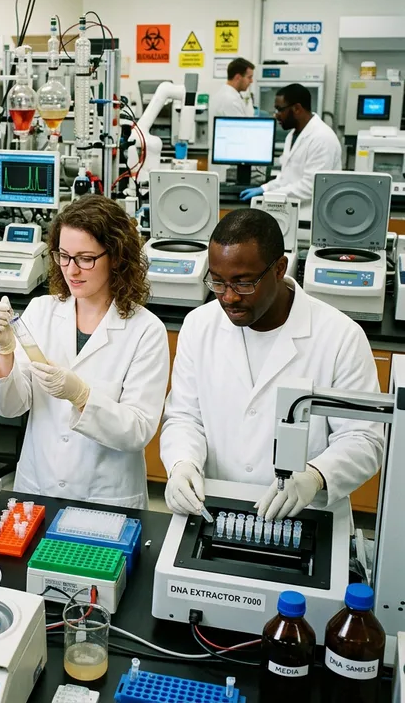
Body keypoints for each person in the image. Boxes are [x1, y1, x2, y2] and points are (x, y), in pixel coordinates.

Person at [160, 209, 383, 522]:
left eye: (243, 283)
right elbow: (184, 416)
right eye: (218, 282)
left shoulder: (340, 336)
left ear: (280, 268)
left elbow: (365, 440)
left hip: (307, 514)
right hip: (218, 508)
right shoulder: (199, 326)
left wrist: (316, 477)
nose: (228, 298)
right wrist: (182, 464)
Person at [0, 196, 170, 508]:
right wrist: (4, 351)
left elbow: (137, 431)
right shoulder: (42, 311)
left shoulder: (146, 330)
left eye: (85, 258)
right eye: (64, 256)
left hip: (107, 496)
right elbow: (10, 406)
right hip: (38, 486)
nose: (72, 270)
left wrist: (81, 396)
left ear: (116, 256)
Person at [239, 83, 342, 222]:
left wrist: (268, 197)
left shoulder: (322, 138)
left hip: (311, 219)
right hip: (291, 214)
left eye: (279, 109)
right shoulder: (292, 135)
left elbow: (310, 186)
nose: (276, 115)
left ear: (297, 108)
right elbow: (286, 178)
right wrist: (265, 188)